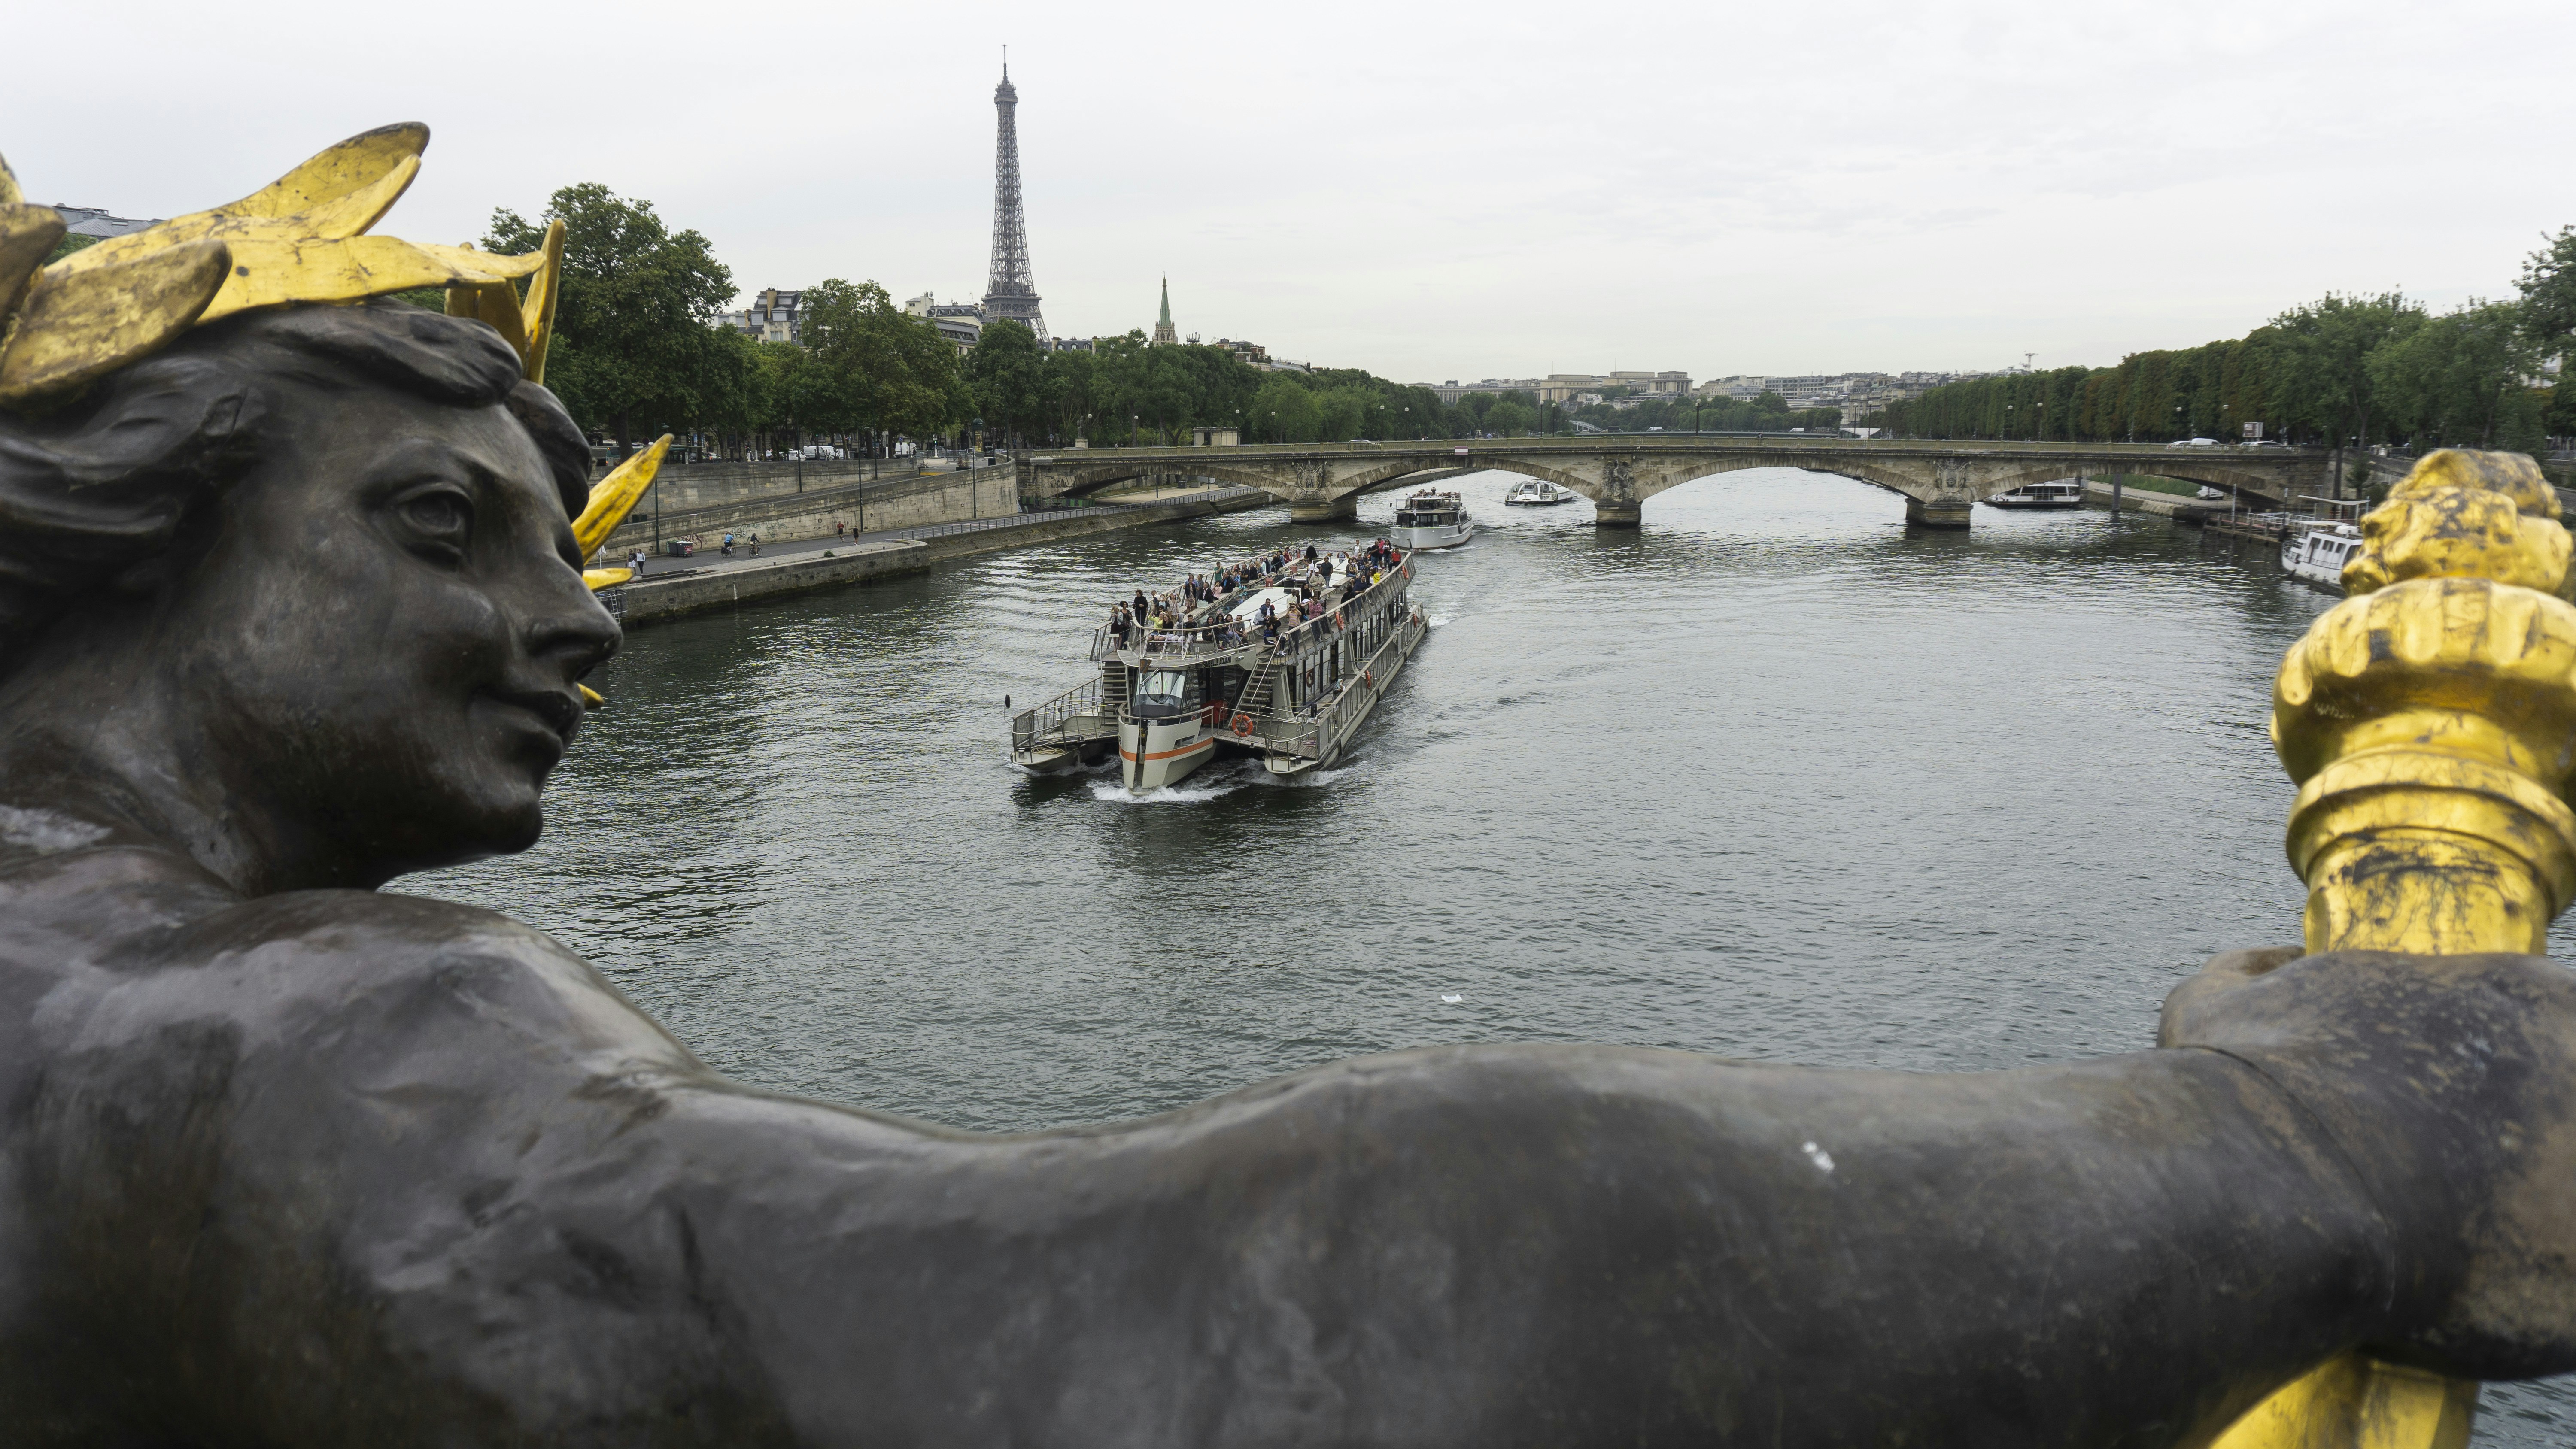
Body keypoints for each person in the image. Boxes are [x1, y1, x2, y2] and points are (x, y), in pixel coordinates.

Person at [14, 301, 2576, 1443]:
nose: (581, 616)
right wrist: (2323, 1149)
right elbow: (1284, 1329)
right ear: (121, 542)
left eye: (576, 534)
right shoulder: (278, 1049)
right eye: (448, 525)